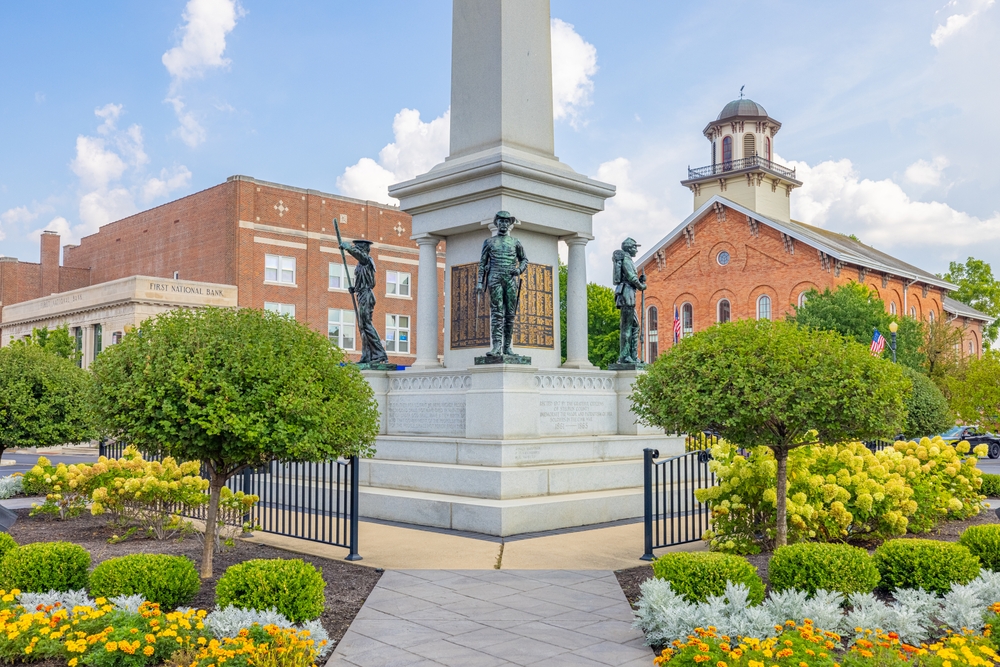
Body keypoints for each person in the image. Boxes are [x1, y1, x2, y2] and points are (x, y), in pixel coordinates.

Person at [476, 211, 529, 357]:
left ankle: (507, 347)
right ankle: (496, 347)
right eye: (501, 221)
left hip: (510, 279)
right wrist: (480, 282)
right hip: (494, 278)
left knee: (510, 315)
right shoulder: (489, 242)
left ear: (510, 224)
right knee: (497, 313)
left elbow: (524, 259)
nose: (504, 224)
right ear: (497, 223)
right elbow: (482, 263)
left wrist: (519, 270)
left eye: (507, 221)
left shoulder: (516, 242)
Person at [341, 239, 390, 364]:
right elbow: (363, 279)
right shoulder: (360, 264)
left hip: (367, 295)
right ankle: (367, 355)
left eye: (357, 248)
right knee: (362, 326)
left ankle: (379, 354)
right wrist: (355, 288)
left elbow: (361, 256)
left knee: (366, 325)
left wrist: (348, 248)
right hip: (361, 293)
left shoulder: (367, 260)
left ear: (363, 249)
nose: (355, 249)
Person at [613, 237, 646, 364]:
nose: (636, 250)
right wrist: (641, 285)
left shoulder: (629, 260)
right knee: (626, 327)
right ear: (629, 248)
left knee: (635, 326)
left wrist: (641, 279)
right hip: (626, 295)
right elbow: (631, 277)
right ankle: (624, 356)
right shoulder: (626, 259)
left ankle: (632, 355)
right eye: (634, 247)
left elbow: (633, 277)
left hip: (630, 294)